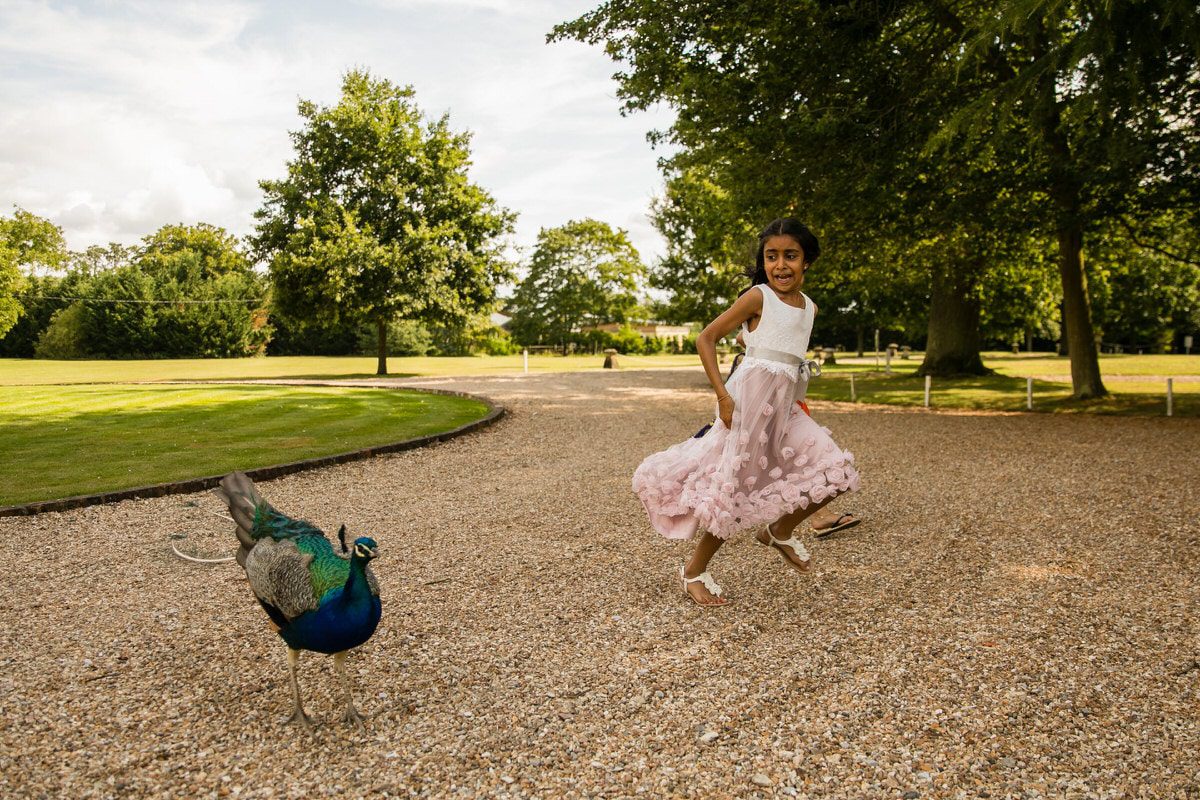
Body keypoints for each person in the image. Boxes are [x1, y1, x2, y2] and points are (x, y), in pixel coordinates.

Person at [632, 217, 861, 606]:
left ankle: (779, 531)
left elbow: (784, 358)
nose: (780, 265)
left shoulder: (810, 308)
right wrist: (723, 396)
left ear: (808, 261)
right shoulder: (758, 296)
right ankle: (693, 573)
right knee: (737, 490)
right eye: (772, 257)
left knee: (836, 473)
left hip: (786, 410)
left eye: (791, 256)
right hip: (748, 409)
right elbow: (706, 338)